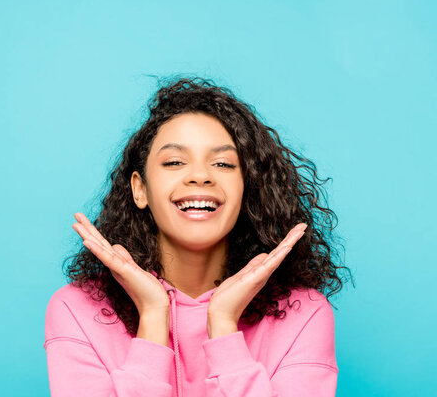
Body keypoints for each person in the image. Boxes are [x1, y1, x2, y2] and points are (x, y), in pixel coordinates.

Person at [43, 76, 352, 396]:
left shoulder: (304, 313)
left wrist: (222, 326)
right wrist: (152, 317)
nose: (201, 176)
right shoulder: (75, 310)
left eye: (223, 163)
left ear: (246, 189)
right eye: (175, 161)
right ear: (140, 189)